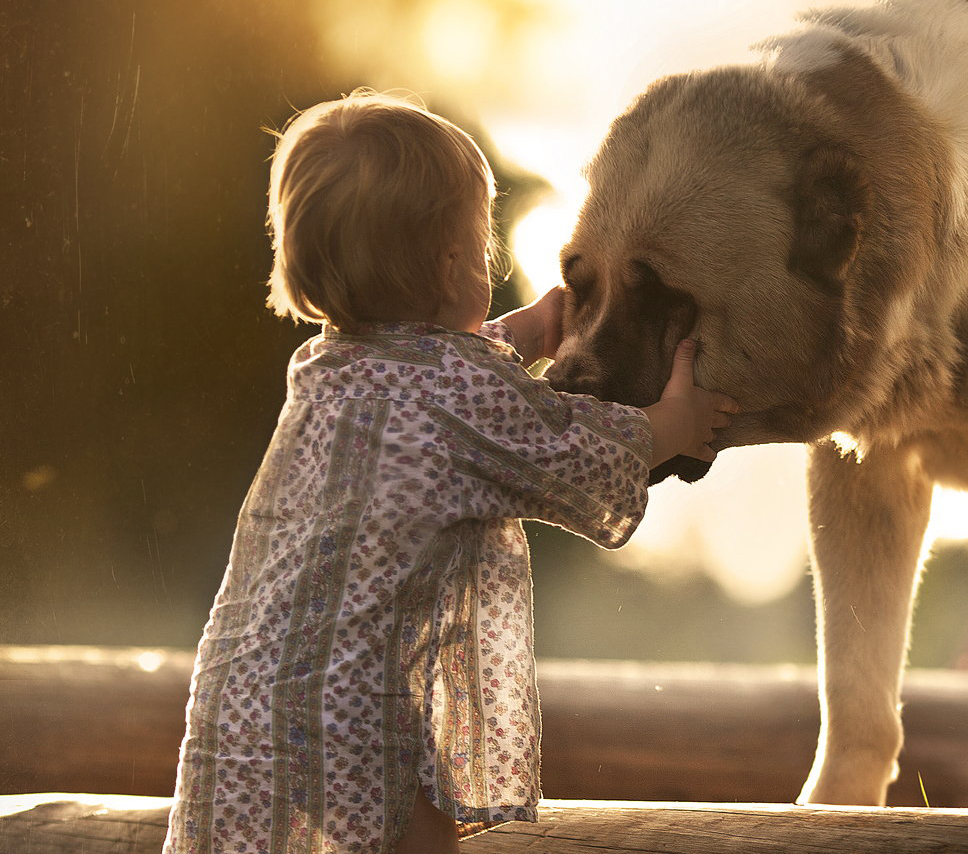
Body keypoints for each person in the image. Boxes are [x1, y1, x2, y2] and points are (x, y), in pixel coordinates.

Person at [162, 90, 737, 854]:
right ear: (453, 263)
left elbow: (433, 384)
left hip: (239, 700)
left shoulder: (329, 367)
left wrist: (522, 332)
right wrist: (677, 423)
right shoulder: (459, 394)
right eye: (483, 244)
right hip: (349, 713)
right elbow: (566, 444)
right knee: (420, 838)